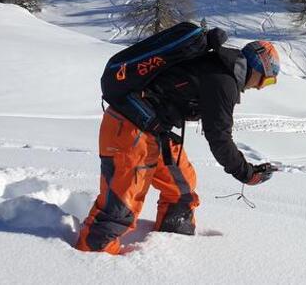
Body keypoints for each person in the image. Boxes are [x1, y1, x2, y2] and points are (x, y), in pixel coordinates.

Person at [75, 40, 280, 254]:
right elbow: (219, 138)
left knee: (181, 188)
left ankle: (173, 245)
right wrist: (246, 173)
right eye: (266, 80)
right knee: (120, 208)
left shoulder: (217, 65)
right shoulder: (223, 80)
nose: (259, 87)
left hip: (153, 130)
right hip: (129, 130)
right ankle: (91, 259)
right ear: (257, 68)